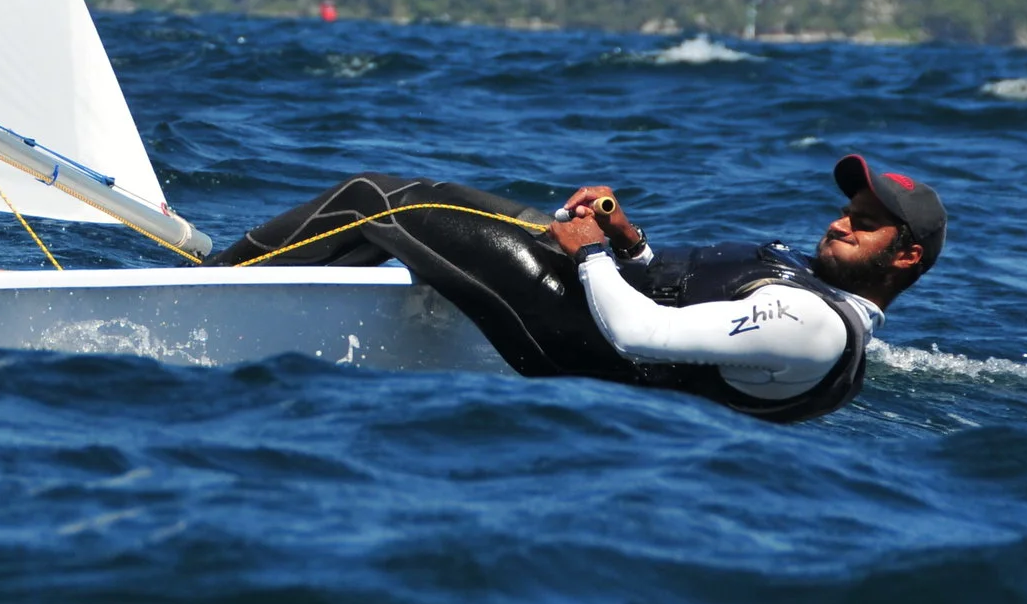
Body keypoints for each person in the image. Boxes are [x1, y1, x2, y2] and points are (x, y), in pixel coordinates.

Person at [212, 154, 947, 422]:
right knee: (399, 203)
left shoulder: (811, 325)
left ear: (906, 257)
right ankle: (264, 298)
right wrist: (630, 243)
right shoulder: (799, 285)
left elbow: (644, 337)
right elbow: (673, 299)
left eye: (866, 226)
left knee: (382, 197)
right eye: (848, 212)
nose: (840, 225)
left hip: (573, 336)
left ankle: (210, 294)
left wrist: (592, 256)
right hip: (588, 302)